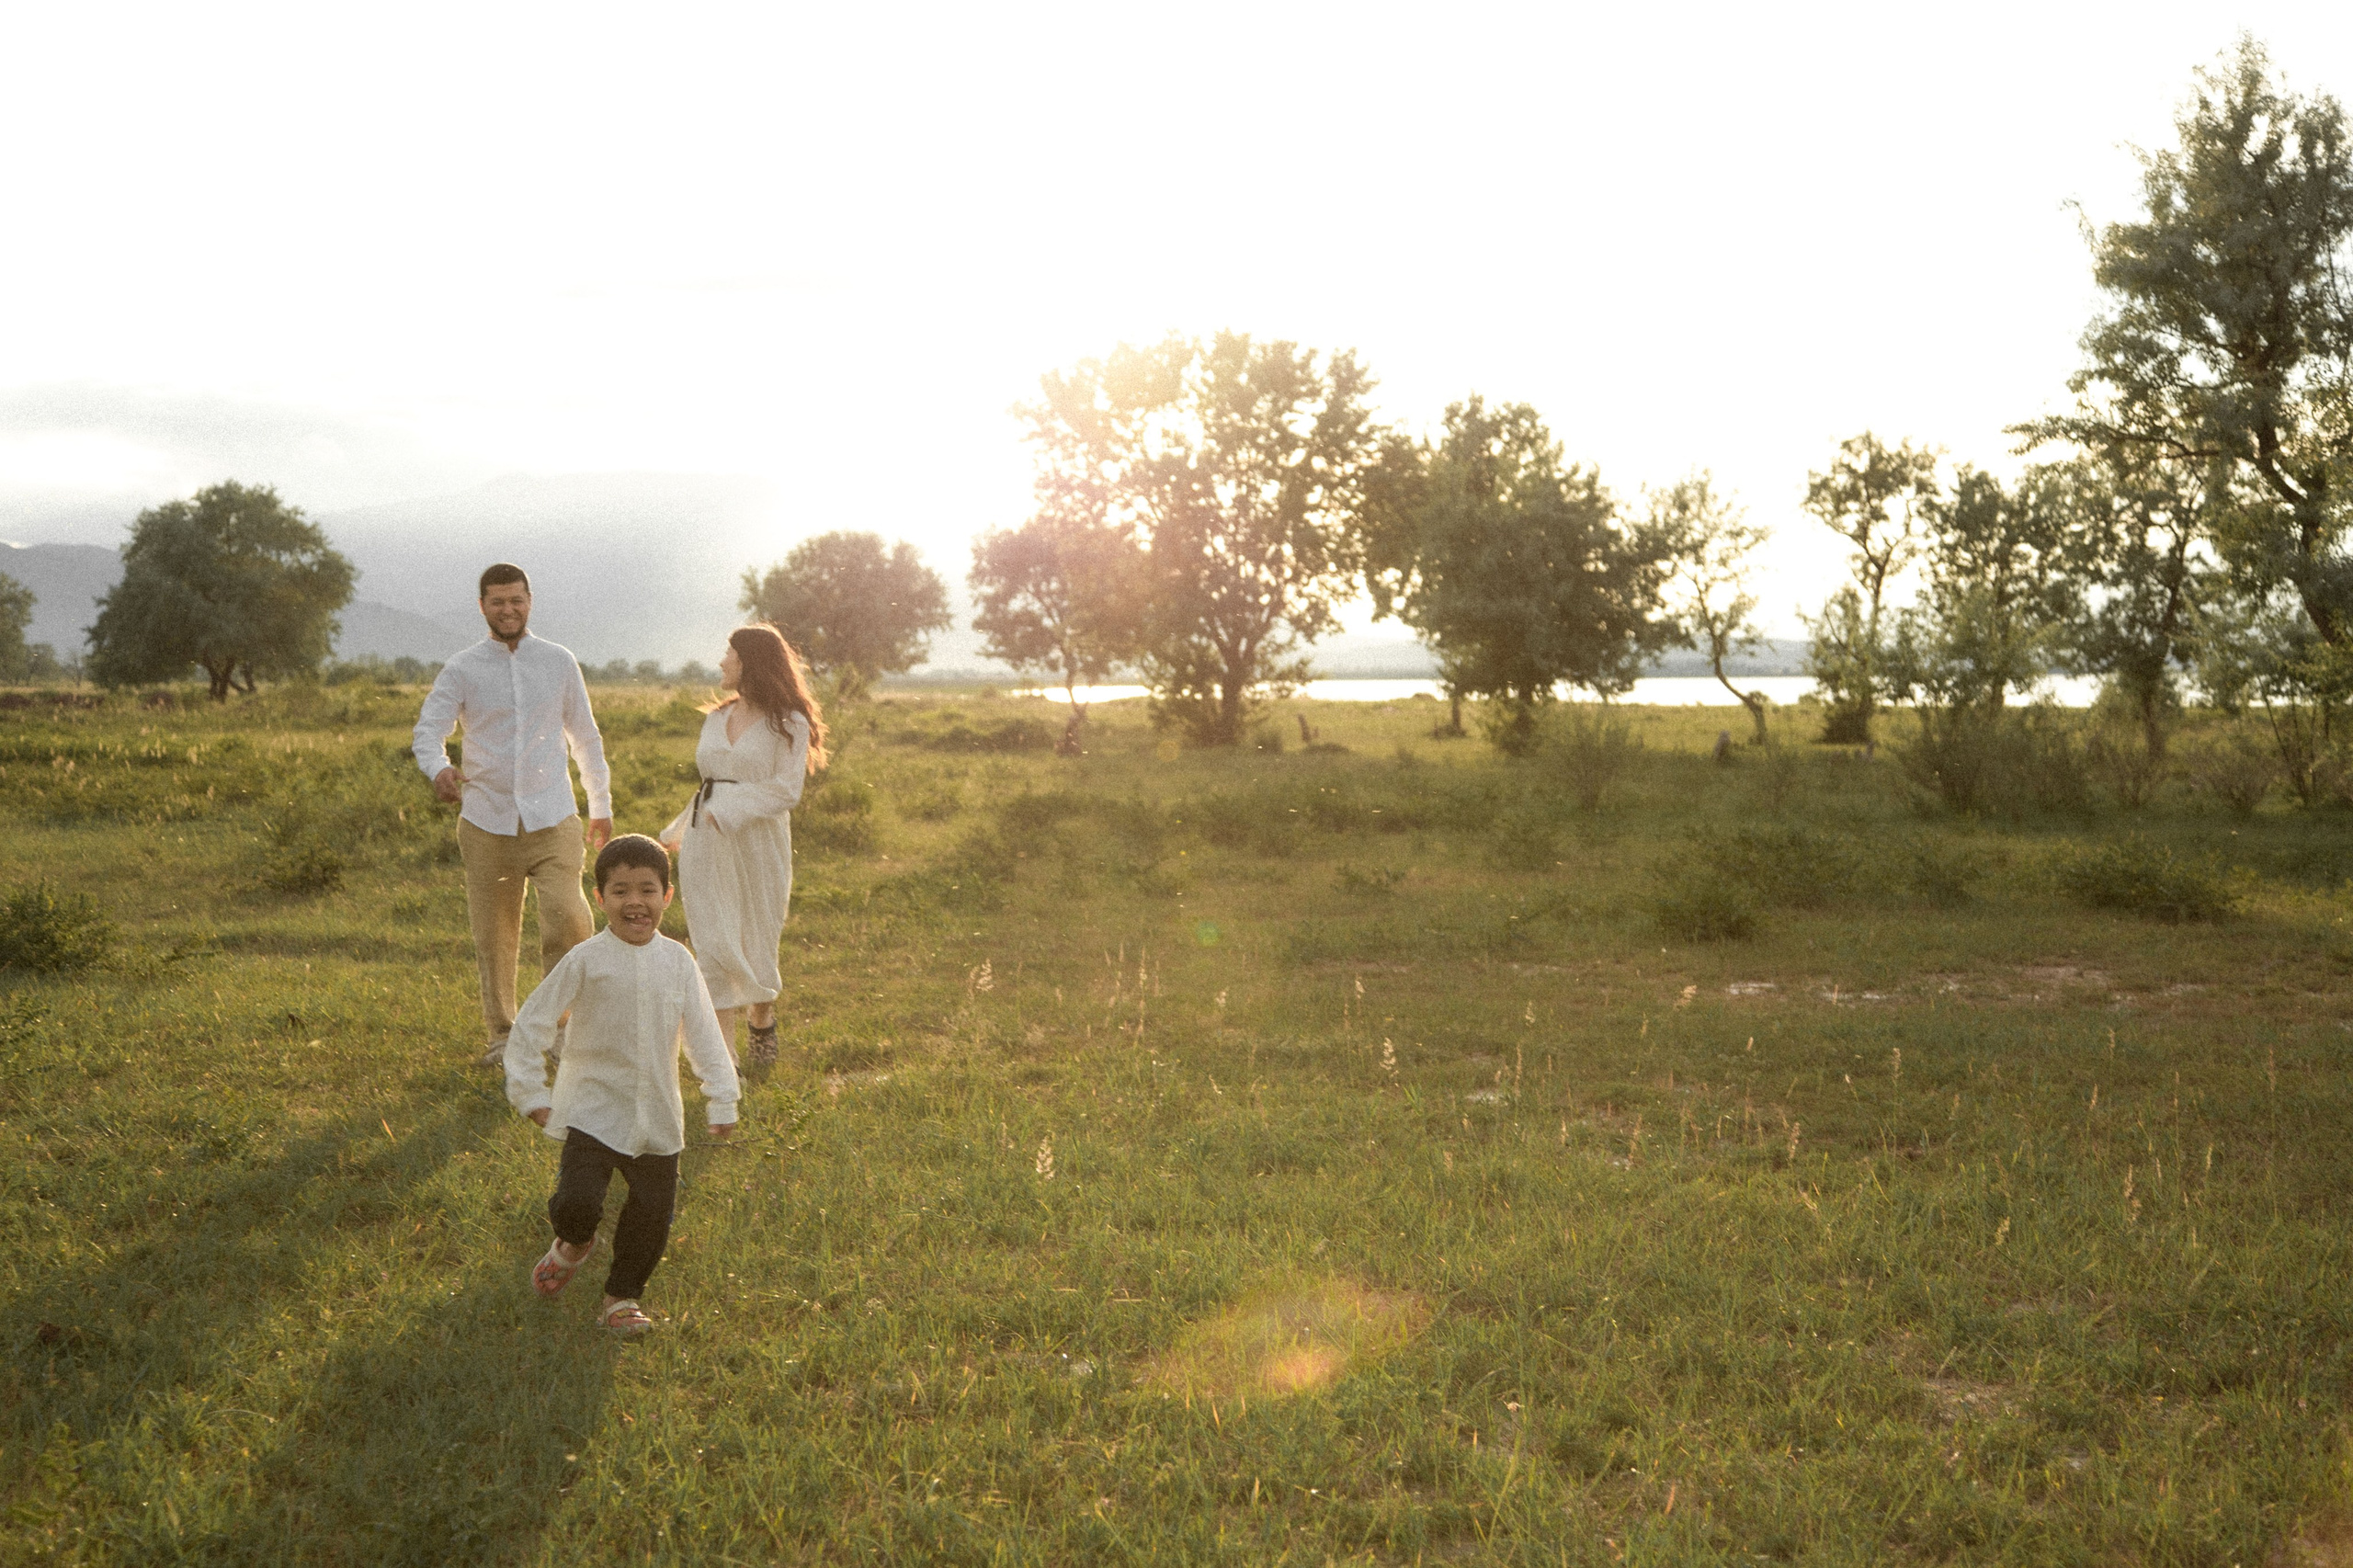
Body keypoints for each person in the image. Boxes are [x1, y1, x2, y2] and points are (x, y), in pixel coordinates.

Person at [511, 834, 740, 1336]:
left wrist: (721, 1095)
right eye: (619, 891)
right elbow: (533, 1022)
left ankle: (621, 1298)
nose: (634, 902)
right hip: (591, 1108)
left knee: (651, 1215)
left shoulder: (678, 961)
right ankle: (573, 1244)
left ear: (667, 896)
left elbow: (703, 1032)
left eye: (647, 890)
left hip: (657, 1113)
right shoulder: (586, 959)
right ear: (600, 898)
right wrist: (529, 1092)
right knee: (577, 1203)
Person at [413, 563, 614, 1065]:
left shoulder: (559, 661)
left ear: (530, 601)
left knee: (568, 917)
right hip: (487, 820)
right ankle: (503, 1037)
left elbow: (584, 737)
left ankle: (560, 1029)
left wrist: (601, 805)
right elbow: (428, 731)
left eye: (517, 600)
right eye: (498, 602)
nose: (508, 610)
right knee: (495, 933)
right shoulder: (462, 668)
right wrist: (439, 768)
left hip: (554, 815)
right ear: (482, 606)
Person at [660, 624, 826, 1066]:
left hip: (758, 845)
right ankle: (724, 1062)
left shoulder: (788, 721)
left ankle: (762, 1019)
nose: (721, 662)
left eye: (729, 654)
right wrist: (676, 832)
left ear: (750, 661)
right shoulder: (715, 718)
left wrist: (731, 810)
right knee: (713, 941)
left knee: (757, 938)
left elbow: (786, 791)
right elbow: (708, 786)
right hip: (707, 842)